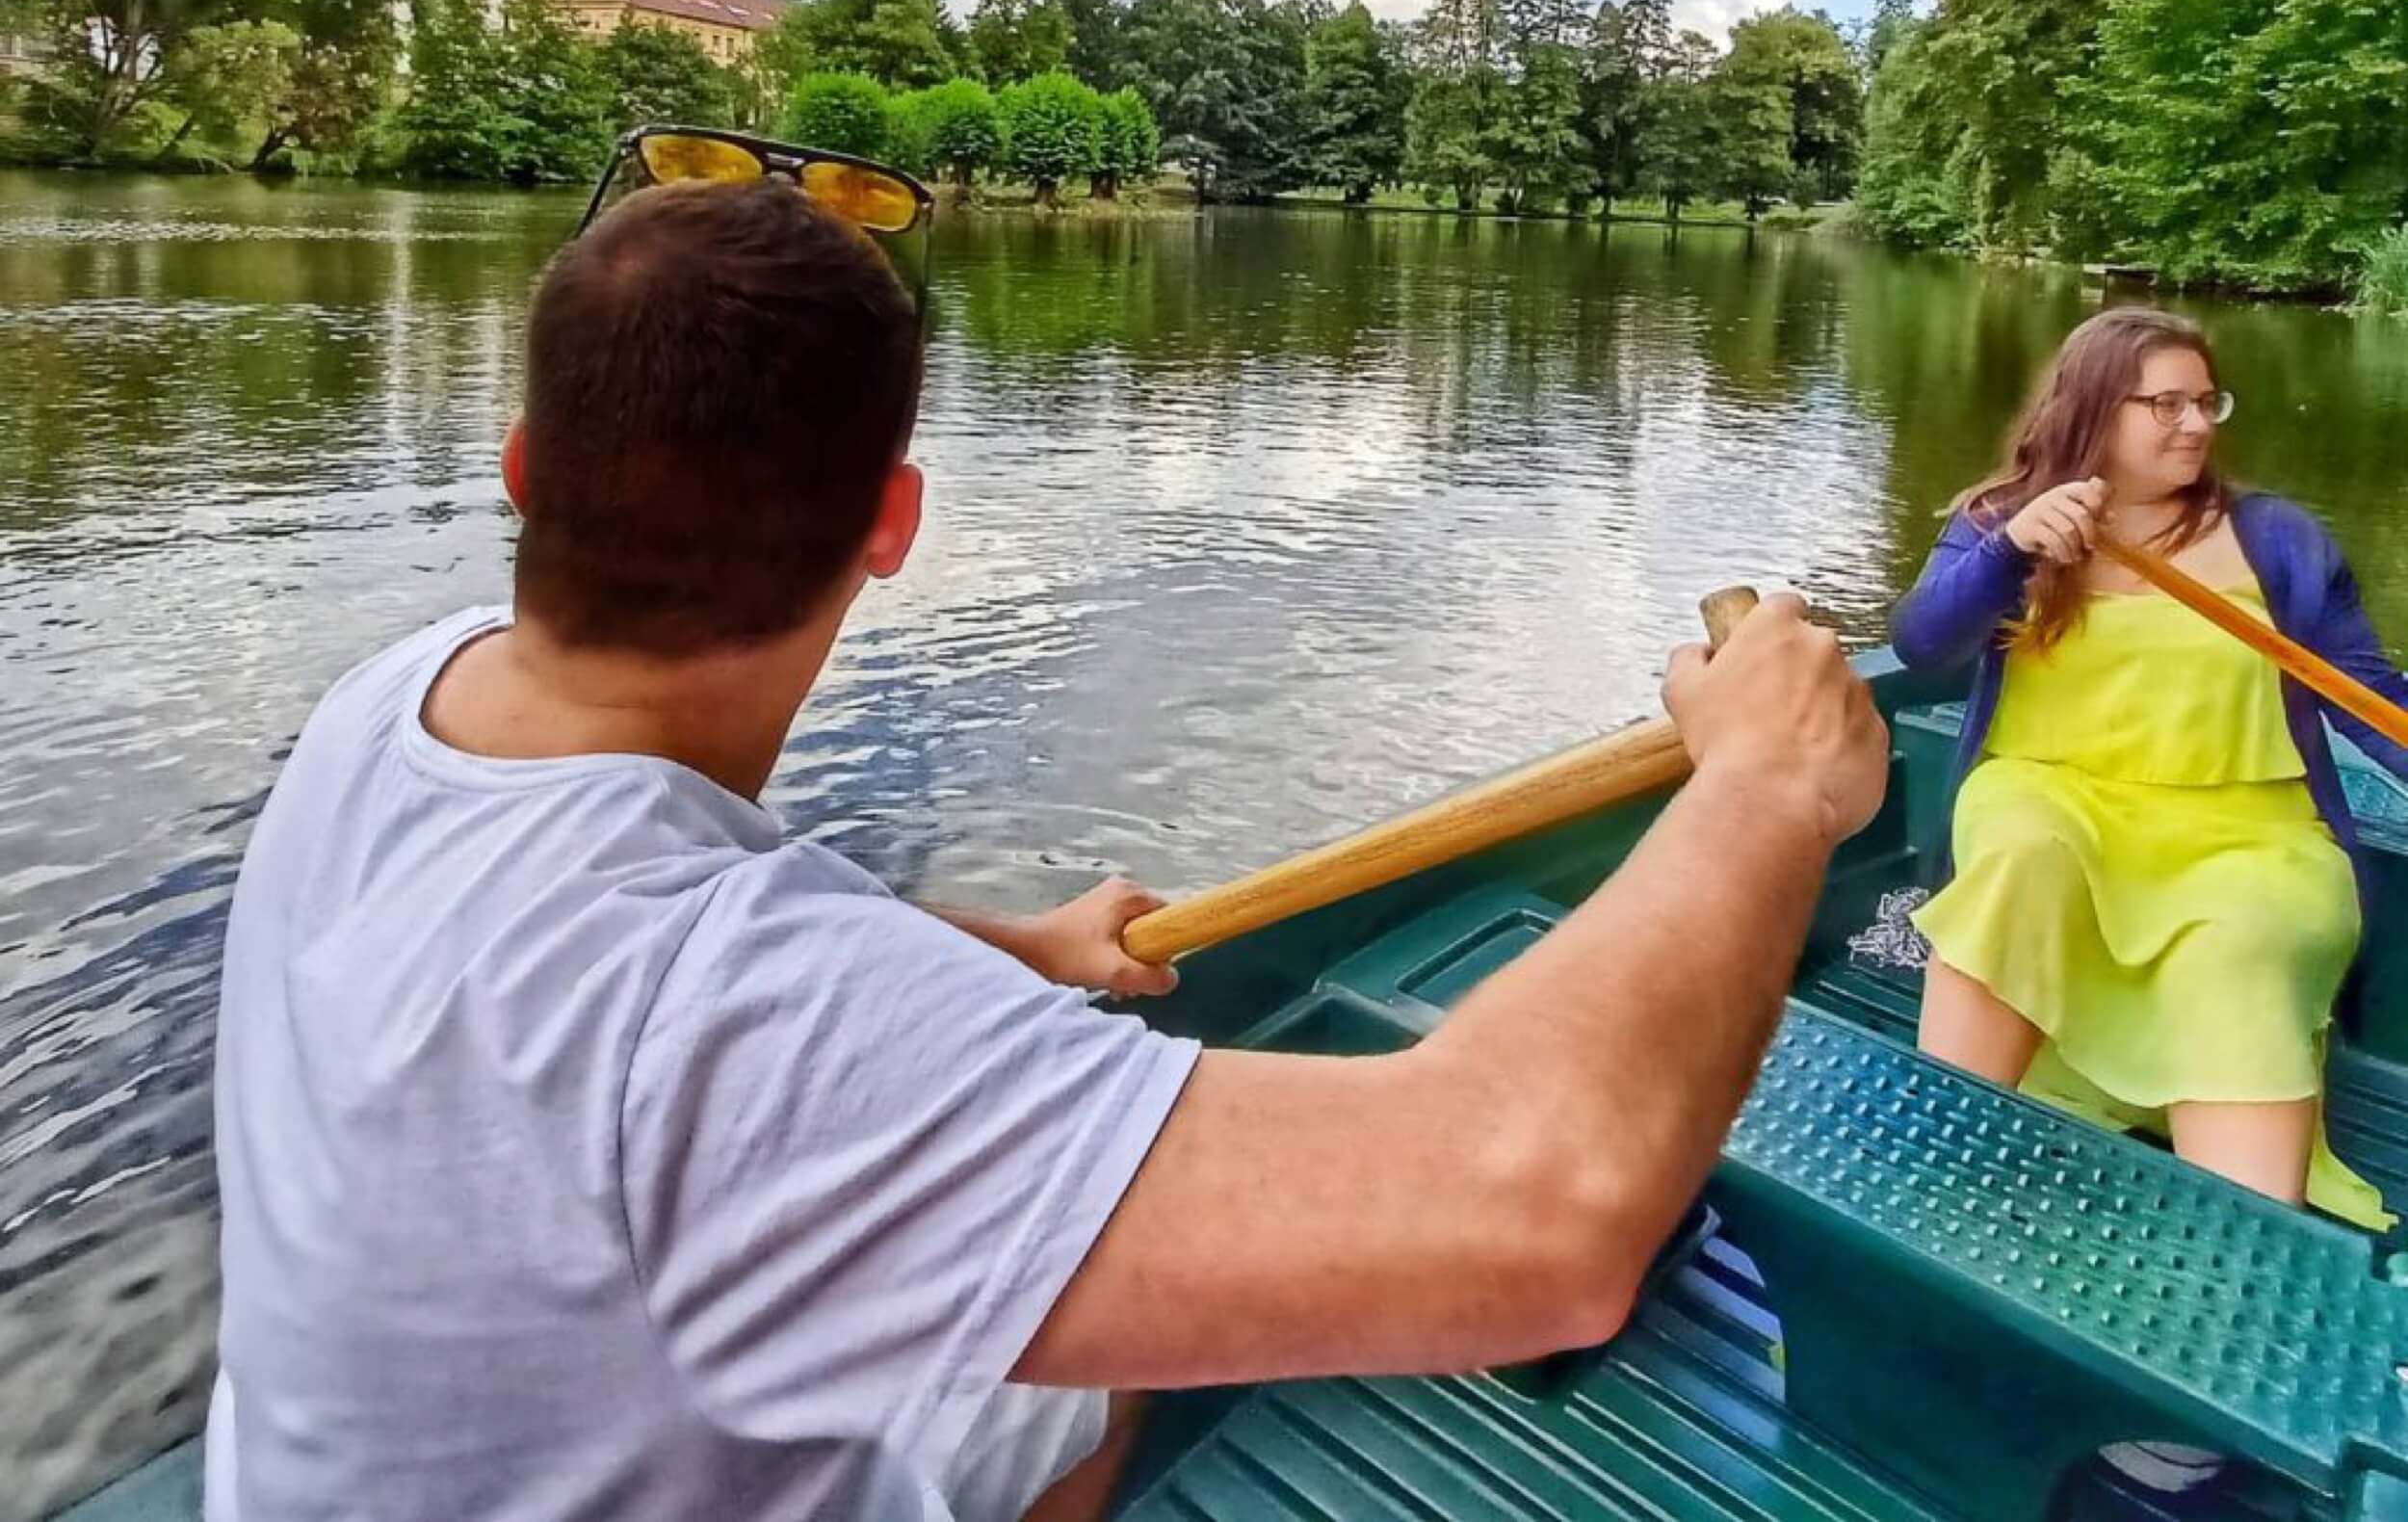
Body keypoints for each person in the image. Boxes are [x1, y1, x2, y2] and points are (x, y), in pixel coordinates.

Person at [208, 159, 1887, 1522]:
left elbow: (711, 936)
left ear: (524, 472)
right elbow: (1546, 1221)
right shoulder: (716, 1006)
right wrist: (1765, 779)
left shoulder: (397, 704)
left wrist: (1023, 952)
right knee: (1078, 1386)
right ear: (893, 524)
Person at [1895, 304, 2408, 1224]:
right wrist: (2010, 552)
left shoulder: (2277, 539)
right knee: (2019, 859)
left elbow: (2366, 696)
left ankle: (2252, 1253)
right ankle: (1940, 1174)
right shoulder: (2007, 521)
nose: (2197, 423)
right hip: (2054, 795)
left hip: (2252, 832)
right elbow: (1924, 645)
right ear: (2092, 409)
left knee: (2244, 937)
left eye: (2208, 401)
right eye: (2165, 404)